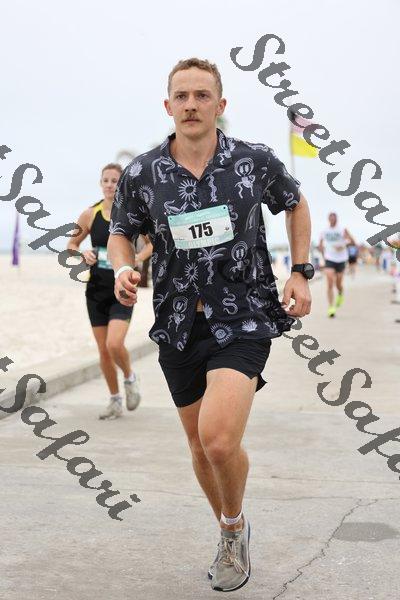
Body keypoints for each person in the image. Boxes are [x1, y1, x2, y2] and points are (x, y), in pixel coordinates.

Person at [107, 58, 313, 592]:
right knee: (199, 449)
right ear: (168, 106)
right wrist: (124, 269)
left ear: (220, 106)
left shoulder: (253, 160)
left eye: (202, 95)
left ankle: (233, 526)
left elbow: (295, 204)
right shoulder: (144, 173)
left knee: (218, 441)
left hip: (244, 316)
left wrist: (300, 271)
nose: (192, 104)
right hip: (178, 323)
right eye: (182, 96)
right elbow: (120, 232)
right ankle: (227, 527)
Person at [67, 163, 153, 419]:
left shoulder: (131, 213)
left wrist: (137, 258)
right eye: (105, 180)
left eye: (115, 181)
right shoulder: (90, 214)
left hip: (123, 288)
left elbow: (151, 244)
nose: (109, 185)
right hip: (95, 290)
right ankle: (115, 399)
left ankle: (130, 377)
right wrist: (82, 254)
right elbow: (71, 244)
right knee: (103, 350)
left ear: (121, 184)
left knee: (114, 344)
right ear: (100, 183)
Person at [318, 213, 355, 318]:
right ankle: (331, 307)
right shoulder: (324, 231)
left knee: (338, 284)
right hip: (329, 258)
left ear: (337, 219)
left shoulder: (342, 229)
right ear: (328, 219)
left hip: (341, 259)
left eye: (334, 219)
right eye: (331, 218)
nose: (333, 220)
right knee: (330, 283)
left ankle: (340, 293)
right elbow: (320, 244)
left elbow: (352, 241)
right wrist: (323, 255)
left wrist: (343, 245)